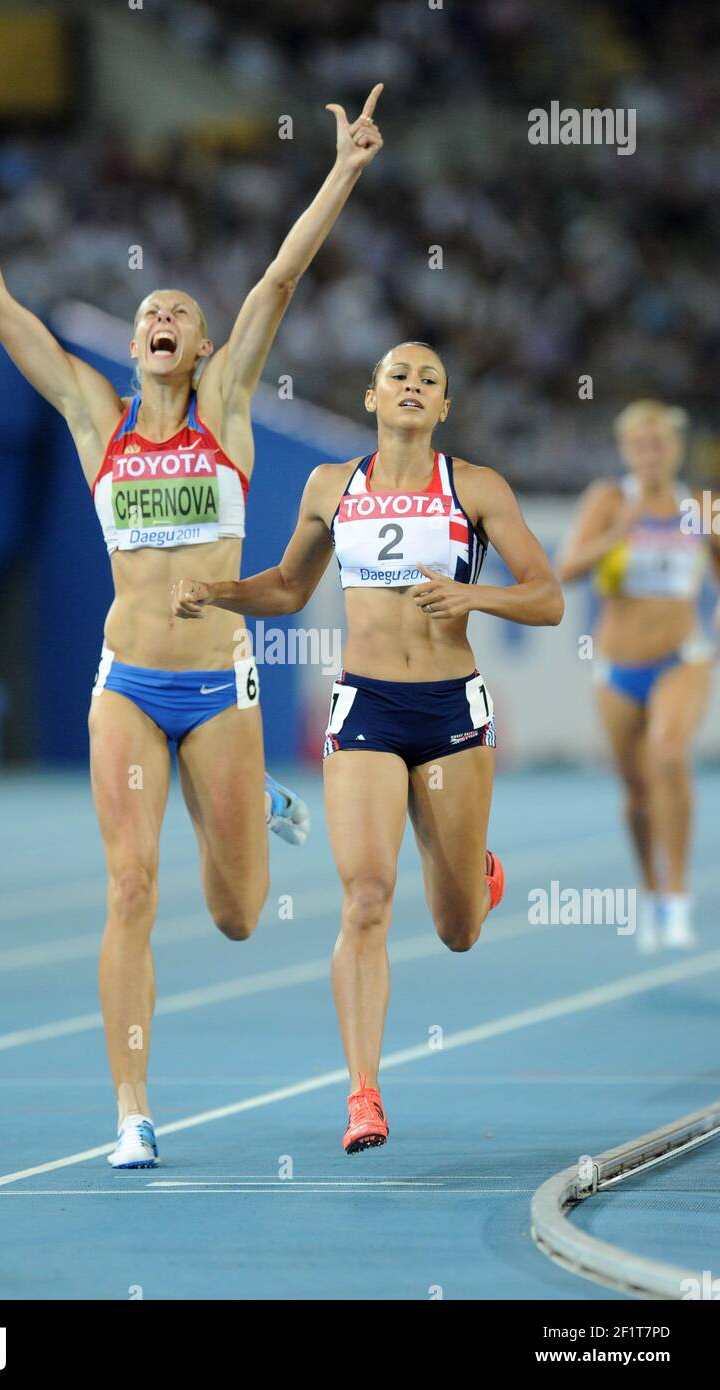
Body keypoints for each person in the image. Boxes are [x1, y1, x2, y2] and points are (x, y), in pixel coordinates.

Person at [0, 85, 384, 1168]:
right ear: (131, 347)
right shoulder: (96, 419)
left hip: (219, 685)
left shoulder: (226, 410)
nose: (160, 320)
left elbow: (280, 274)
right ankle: (130, 1107)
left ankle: (242, 798)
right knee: (130, 885)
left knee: (233, 914)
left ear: (205, 341)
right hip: (126, 679)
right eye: (146, 315)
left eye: (178, 312)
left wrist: (345, 168)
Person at [172, 341, 564, 1152]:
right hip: (366, 711)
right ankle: (363, 1095)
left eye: (430, 380)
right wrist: (217, 592)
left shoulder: (475, 487)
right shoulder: (330, 486)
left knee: (456, 928)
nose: (414, 387)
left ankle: (475, 875)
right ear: (371, 398)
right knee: (366, 897)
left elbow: (548, 598)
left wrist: (470, 594)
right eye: (399, 377)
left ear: (444, 407)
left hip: (451, 711)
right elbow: (286, 587)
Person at [557, 400, 719, 952]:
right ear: (627, 451)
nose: (652, 455)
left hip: (684, 657)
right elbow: (566, 571)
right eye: (641, 445)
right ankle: (651, 891)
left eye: (662, 444)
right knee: (636, 793)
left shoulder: (701, 505)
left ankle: (677, 894)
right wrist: (615, 537)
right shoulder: (609, 499)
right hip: (618, 667)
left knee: (671, 754)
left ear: (678, 449)